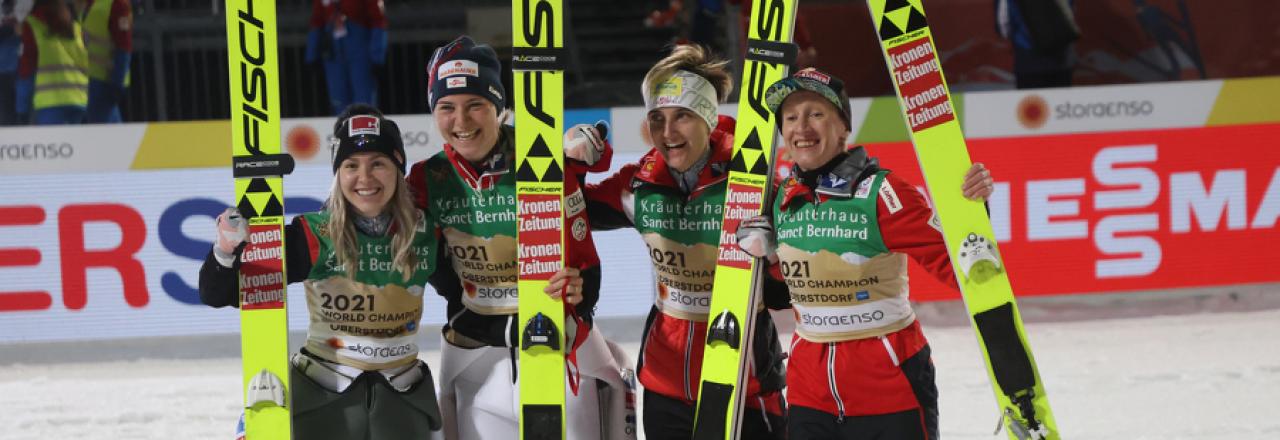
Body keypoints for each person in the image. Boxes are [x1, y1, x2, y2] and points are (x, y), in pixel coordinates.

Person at [736, 68, 993, 440]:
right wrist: (768, 262)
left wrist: (974, 214)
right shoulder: (782, 200)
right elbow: (786, 296)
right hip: (810, 394)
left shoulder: (883, 193)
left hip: (890, 392)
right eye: (790, 117)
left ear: (843, 127)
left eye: (816, 114)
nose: (801, 127)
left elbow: (961, 270)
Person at [406, 35, 634, 440]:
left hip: (557, 337)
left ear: (499, 107)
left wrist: (582, 292)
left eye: (475, 104)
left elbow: (591, 168)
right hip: (477, 347)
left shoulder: (540, 157)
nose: (461, 121)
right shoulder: (427, 178)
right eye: (446, 108)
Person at [199, 105, 452, 440]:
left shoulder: (425, 233)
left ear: (398, 168)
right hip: (321, 395)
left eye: (378, 163)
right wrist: (225, 251)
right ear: (338, 174)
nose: (365, 178)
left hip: (401, 398)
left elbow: (464, 290)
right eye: (351, 166)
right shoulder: (316, 234)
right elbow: (221, 294)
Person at [579, 44, 788, 440]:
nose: (667, 132)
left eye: (682, 117)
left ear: (708, 120)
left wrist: (776, 254)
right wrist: (572, 167)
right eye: (656, 118)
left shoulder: (752, 183)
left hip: (745, 378)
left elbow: (785, 295)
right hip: (665, 381)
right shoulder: (639, 183)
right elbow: (571, 215)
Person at [305, 0, 386, 115]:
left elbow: (378, 21)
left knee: (363, 99)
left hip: (360, 50)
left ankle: (366, 128)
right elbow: (316, 21)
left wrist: (377, 56)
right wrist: (311, 55)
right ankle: (341, 130)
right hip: (334, 53)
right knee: (338, 99)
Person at [16, 0, 87, 124]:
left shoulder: (33, 26)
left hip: (50, 104)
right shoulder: (76, 27)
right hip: (80, 100)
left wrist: (21, 110)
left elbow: (26, 73)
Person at [995, 0, 1078, 89]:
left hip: (1028, 58)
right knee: (1060, 101)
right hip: (1061, 56)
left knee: (1031, 101)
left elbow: (1003, 25)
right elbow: (1069, 14)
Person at [76, 0, 130, 123]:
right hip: (85, 81)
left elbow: (123, 47)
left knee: (105, 132)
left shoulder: (117, 4)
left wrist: (117, 82)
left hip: (103, 82)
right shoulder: (86, 4)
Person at [1, 0, 23, 125]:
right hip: (6, 71)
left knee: (13, 105)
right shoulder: (11, 25)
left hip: (14, 70)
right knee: (6, 106)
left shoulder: (17, 23)